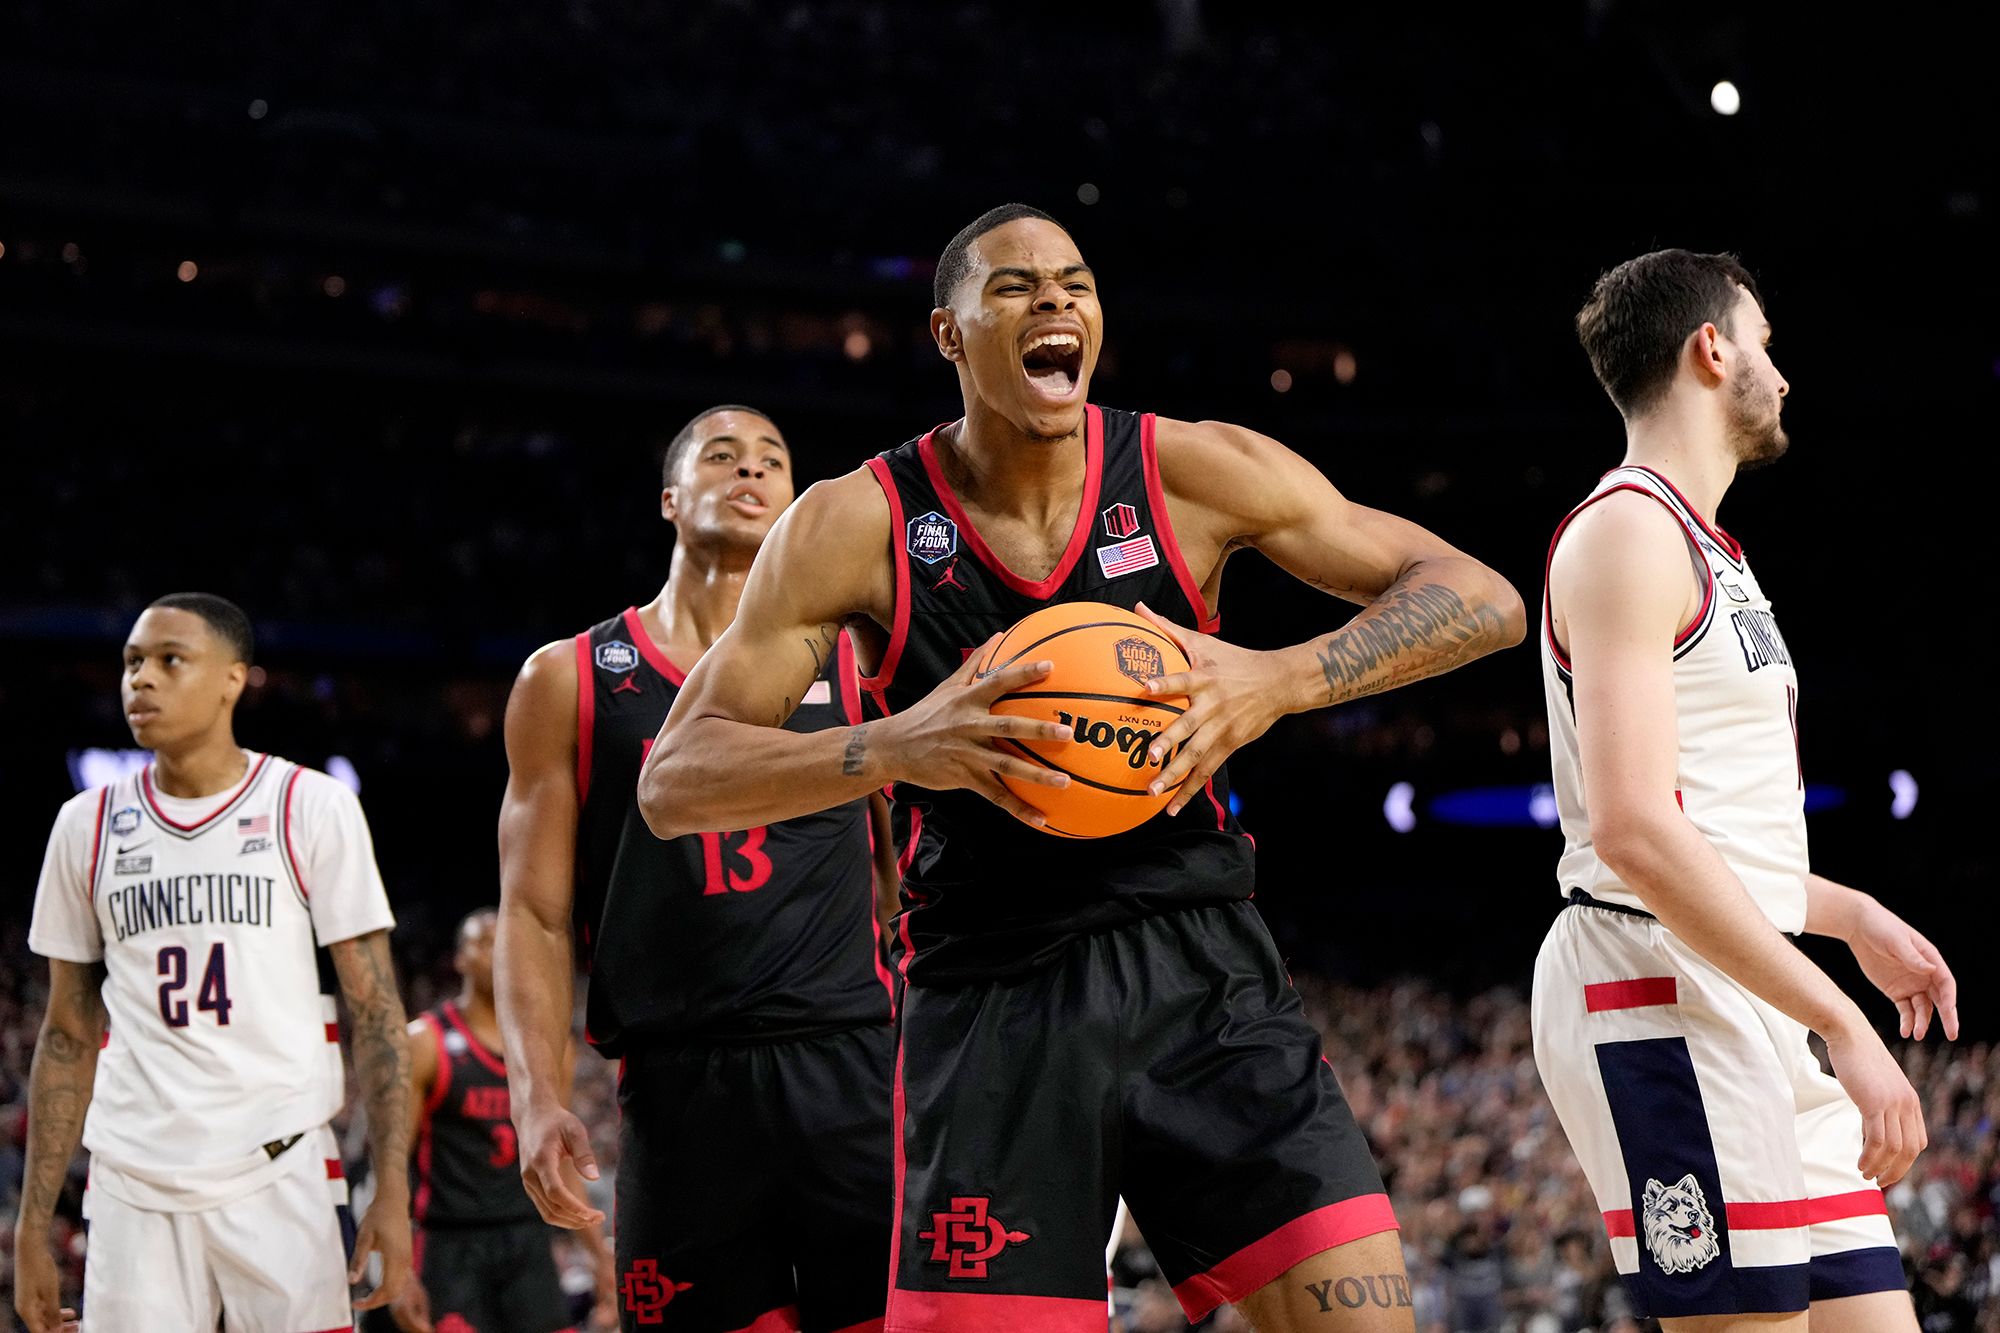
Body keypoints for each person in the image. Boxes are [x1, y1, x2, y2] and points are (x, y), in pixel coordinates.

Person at [637, 205, 1525, 1331]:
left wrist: (1276, 679)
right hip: (989, 996)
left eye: (1074, 283)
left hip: (1200, 969)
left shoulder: (1191, 470)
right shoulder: (853, 523)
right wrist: (893, 745)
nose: (1053, 302)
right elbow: (676, 778)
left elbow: (1483, 598)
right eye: (1013, 287)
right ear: (948, 334)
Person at [1530, 249, 1958, 1330]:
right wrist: (1841, 1020)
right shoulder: (1626, 531)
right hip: (1652, 987)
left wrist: (1844, 912)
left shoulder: (1710, 549)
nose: (1778, 369)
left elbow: (1710, 825)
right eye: (1763, 340)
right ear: (1708, 349)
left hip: (1743, 985)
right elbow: (1632, 830)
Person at [495, 405, 899, 1333]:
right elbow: (534, 914)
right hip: (681, 1091)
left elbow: (899, 875)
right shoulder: (569, 676)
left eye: (773, 460)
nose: (751, 471)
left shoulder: (859, 658)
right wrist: (539, 1094)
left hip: (852, 1068)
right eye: (723, 456)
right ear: (672, 499)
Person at [15, 592, 415, 1332]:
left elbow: (378, 1012)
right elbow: (67, 1030)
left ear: (234, 679)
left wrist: (390, 1188)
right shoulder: (85, 825)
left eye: (170, 661)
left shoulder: (312, 805)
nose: (142, 679)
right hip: (134, 1177)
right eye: (132, 662)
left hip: (281, 1162)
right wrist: (31, 1226)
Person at [391, 909, 616, 1333]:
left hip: (527, 1241)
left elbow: (562, 1159)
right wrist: (397, 1267)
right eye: (484, 942)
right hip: (448, 1244)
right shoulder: (424, 1043)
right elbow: (391, 1169)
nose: (497, 954)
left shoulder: (552, 1047)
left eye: (505, 943)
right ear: (459, 960)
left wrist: (598, 1255)